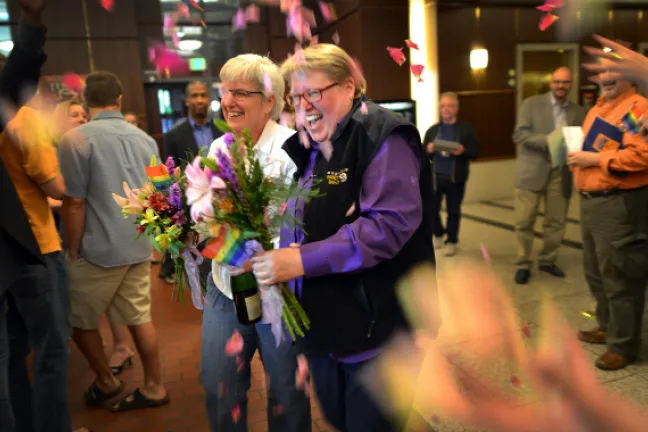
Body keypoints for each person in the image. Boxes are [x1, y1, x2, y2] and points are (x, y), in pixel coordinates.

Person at [251, 43, 436, 432]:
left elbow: (387, 226)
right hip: (329, 325)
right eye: (295, 98)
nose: (303, 106)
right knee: (337, 417)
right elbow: (307, 219)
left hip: (379, 329)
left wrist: (301, 261)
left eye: (313, 93)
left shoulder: (384, 135)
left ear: (349, 87)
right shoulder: (315, 147)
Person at [200, 54, 311, 432]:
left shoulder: (295, 150)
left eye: (241, 92)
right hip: (224, 286)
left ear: (269, 102)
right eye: (225, 90)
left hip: (278, 291)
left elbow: (304, 226)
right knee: (219, 385)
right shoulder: (218, 148)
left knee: (287, 391)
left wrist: (261, 252)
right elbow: (208, 213)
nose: (228, 100)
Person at [0, 1, 89, 431]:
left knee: (15, 355)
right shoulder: (24, 119)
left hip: (11, 252)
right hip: (36, 245)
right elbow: (54, 183)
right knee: (53, 348)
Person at [58, 71, 169, 411]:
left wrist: (72, 247)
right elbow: (161, 192)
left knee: (78, 320)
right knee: (139, 316)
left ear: (86, 103)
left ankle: (106, 380)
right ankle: (154, 386)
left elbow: (74, 201)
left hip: (96, 249)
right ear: (120, 99)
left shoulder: (75, 138)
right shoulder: (146, 139)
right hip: (137, 245)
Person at [567, 60, 648, 371]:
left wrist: (594, 157)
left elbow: (640, 155)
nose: (606, 79)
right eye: (602, 73)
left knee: (619, 275)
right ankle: (608, 327)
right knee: (596, 273)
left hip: (618, 203)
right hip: (592, 201)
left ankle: (623, 345)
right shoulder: (599, 108)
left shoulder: (635, 107)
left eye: (614, 73)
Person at [512, 67, 586, 285]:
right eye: (556, 82)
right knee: (524, 221)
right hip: (531, 172)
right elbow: (520, 135)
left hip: (560, 172)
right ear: (550, 83)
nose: (560, 86)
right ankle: (523, 264)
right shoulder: (531, 104)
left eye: (565, 82)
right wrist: (550, 140)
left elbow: (579, 141)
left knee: (556, 222)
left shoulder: (578, 112)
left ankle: (547, 260)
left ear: (571, 84)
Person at [161, 81, 222, 283]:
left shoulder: (225, 131)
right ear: (187, 100)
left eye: (203, 95)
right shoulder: (173, 136)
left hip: (223, 203)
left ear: (209, 99)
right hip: (191, 204)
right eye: (194, 96)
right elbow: (171, 176)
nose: (199, 100)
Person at [423, 92, 479, 256]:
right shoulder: (433, 131)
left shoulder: (465, 129)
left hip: (456, 178)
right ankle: (438, 234)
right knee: (431, 209)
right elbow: (422, 153)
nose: (446, 109)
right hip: (434, 178)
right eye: (442, 106)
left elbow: (475, 152)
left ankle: (452, 240)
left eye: (450, 106)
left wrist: (463, 151)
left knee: (454, 211)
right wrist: (428, 149)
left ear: (456, 108)